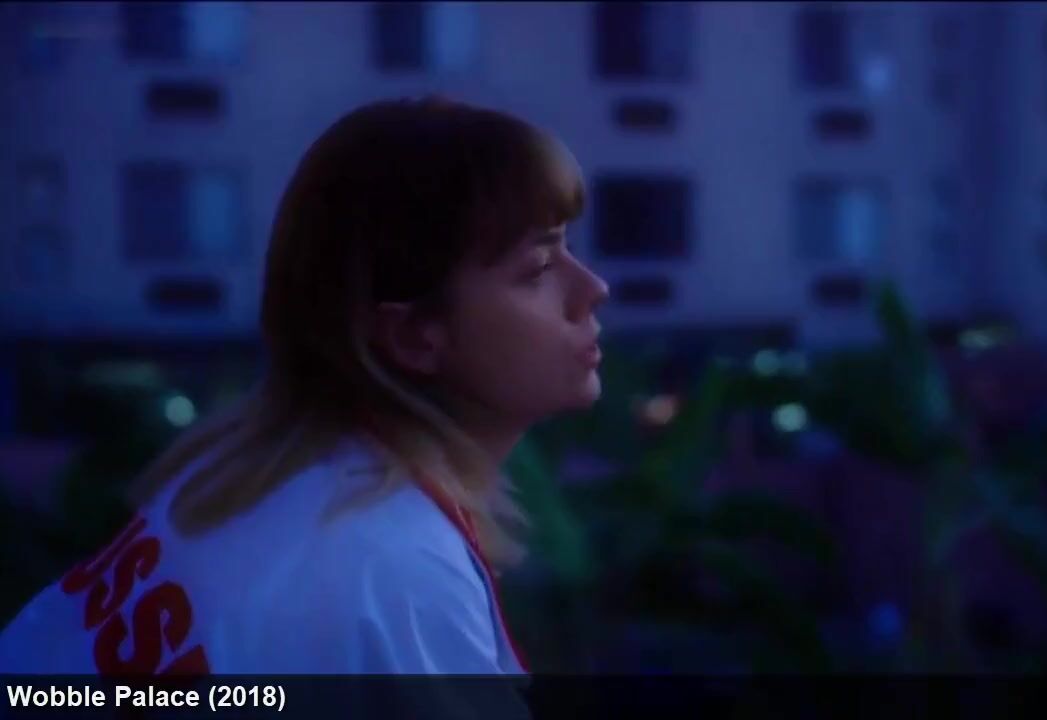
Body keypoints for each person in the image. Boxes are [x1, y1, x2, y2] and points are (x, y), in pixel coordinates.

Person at [0, 96, 610, 677]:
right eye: (537, 268)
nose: (593, 290)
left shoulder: (236, 482)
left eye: (566, 248)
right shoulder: (395, 571)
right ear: (413, 336)